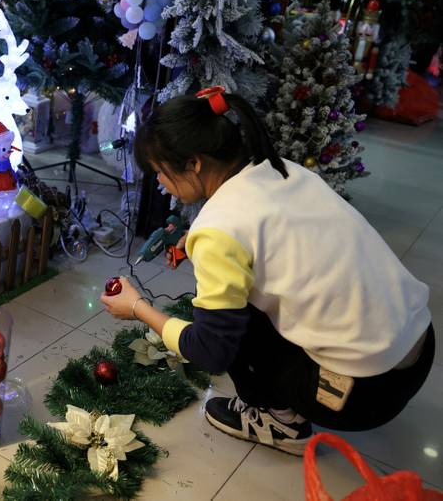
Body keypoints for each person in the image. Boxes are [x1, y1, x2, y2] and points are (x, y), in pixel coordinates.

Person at [101, 87, 434, 456]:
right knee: (241, 299)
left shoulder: (219, 227)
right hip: (419, 347)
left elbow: (210, 352)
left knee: (231, 327)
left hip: (365, 394)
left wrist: (137, 309)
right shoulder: (279, 169)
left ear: (194, 163)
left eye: (160, 172)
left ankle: (279, 424)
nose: (160, 184)